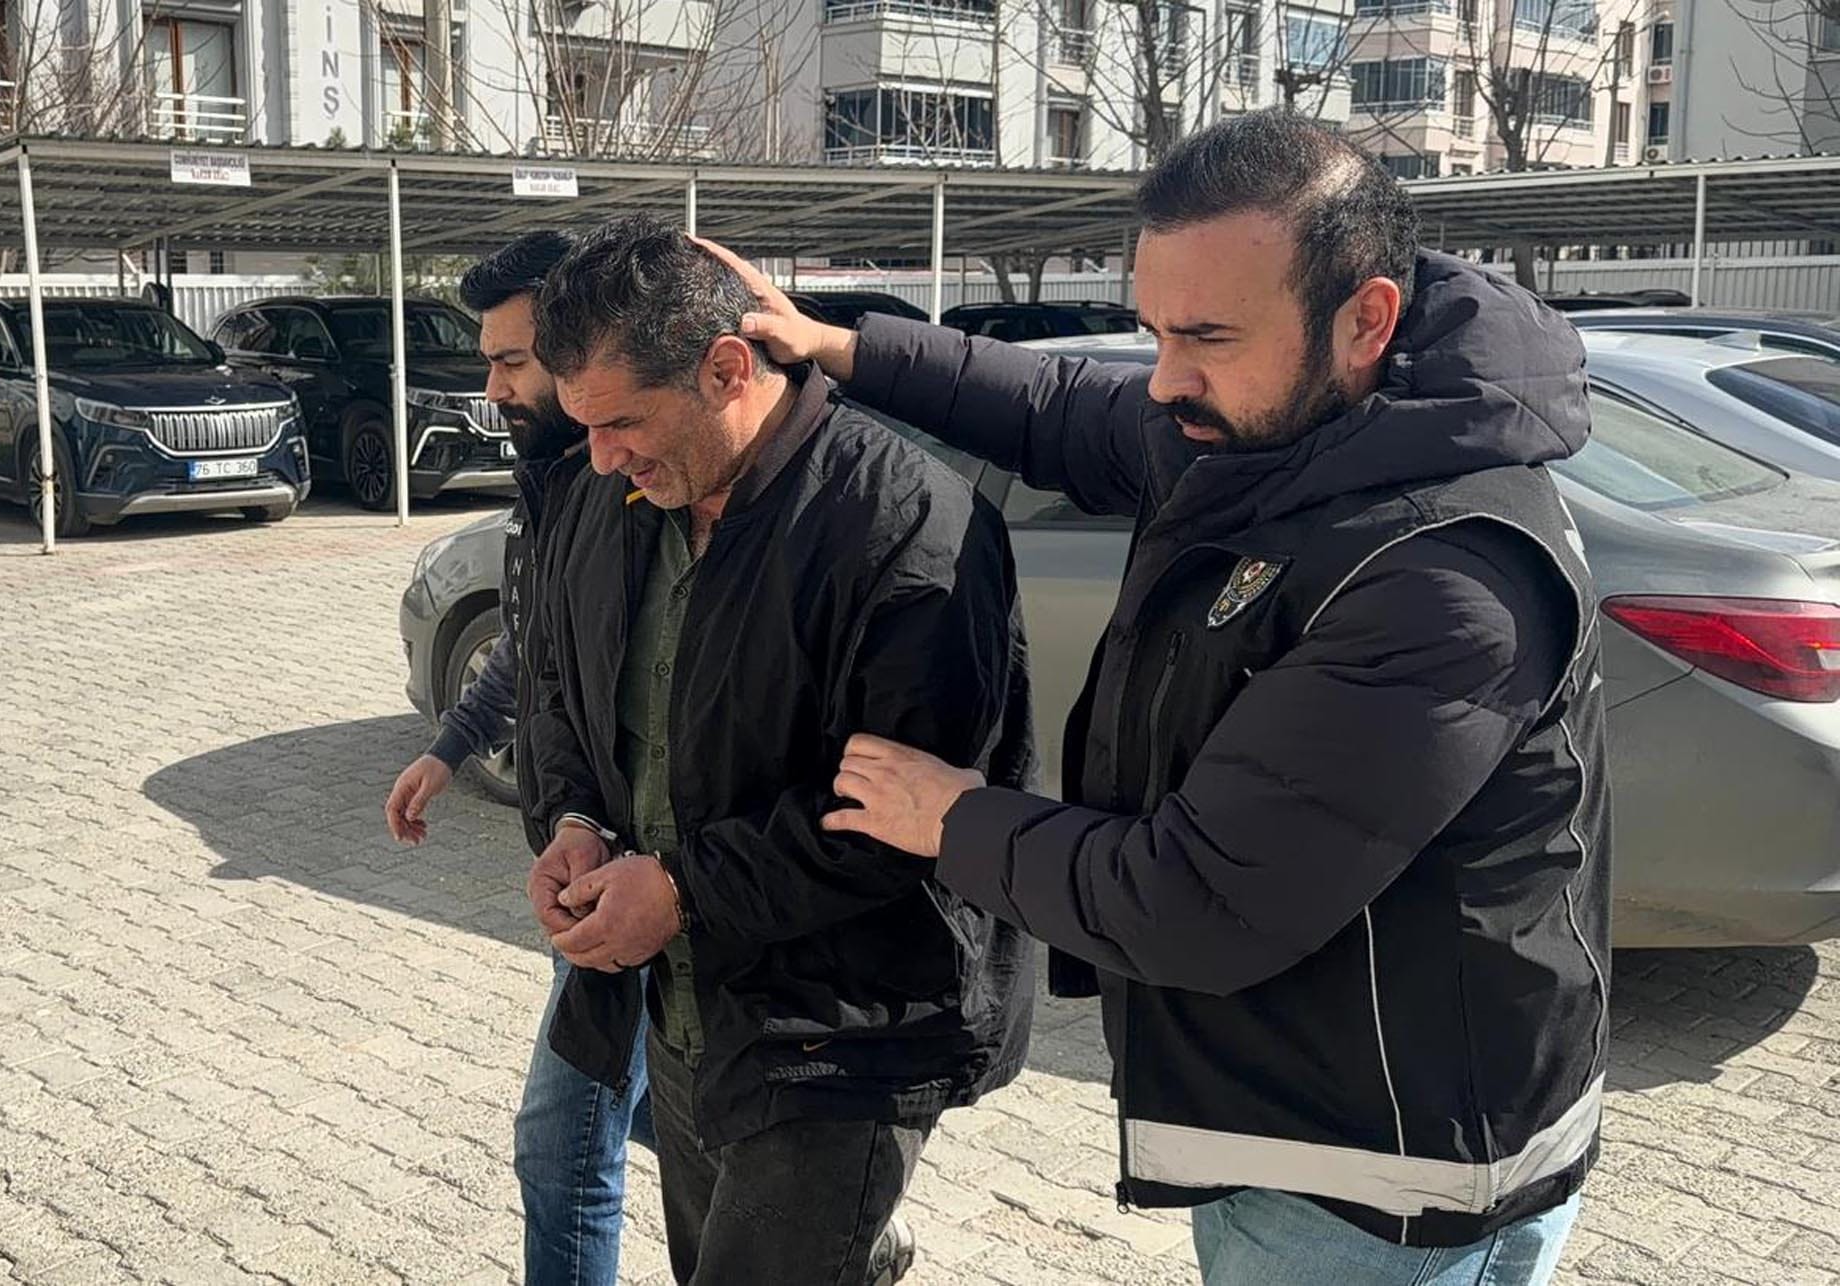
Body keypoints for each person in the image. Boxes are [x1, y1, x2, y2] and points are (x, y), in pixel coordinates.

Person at [716, 110, 1609, 1286]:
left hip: (1380, 1191)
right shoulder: (1283, 432)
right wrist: (837, 345)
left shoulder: (1437, 577)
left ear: (1365, 319)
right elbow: (1056, 409)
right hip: (1300, 1125)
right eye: (1153, 331)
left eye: (1205, 337)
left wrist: (953, 818)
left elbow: (1197, 898)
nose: (1165, 378)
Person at [520, 216, 1036, 1286]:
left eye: (622, 421)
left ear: (725, 369)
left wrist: (681, 889)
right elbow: (559, 688)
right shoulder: (607, 498)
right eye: (585, 426)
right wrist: (573, 818)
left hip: (841, 1035)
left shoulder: (908, 522)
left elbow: (903, 821)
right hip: (678, 1013)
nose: (602, 456)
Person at [380, 230, 653, 1286]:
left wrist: (612, 836)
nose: (491, 387)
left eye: (510, 361)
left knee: (561, 1146)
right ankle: (831, 1213)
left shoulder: (633, 490)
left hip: (632, 871)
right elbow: (535, 646)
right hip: (574, 854)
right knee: (645, 1102)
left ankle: (827, 1211)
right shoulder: (549, 477)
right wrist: (451, 746)